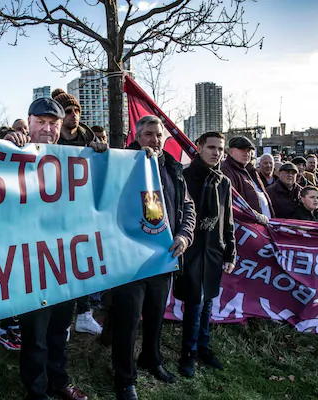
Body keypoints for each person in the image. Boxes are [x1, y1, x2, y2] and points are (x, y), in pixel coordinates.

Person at [3, 97, 106, 400]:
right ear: (29, 122)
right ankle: (36, 391)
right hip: (30, 261)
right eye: (41, 122)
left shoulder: (73, 156)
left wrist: (100, 154)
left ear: (61, 127)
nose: (47, 129)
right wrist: (6, 142)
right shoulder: (12, 152)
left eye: (53, 124)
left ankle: (58, 381)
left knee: (59, 330)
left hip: (64, 261)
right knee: (35, 335)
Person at [111, 115, 195, 400]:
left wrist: (184, 235)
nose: (155, 140)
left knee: (156, 316)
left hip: (163, 258)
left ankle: (151, 358)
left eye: (158, 135)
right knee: (128, 320)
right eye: (148, 134)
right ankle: (125, 378)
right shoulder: (123, 163)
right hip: (130, 260)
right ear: (137, 136)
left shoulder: (172, 167)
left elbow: (188, 207)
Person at [174, 132, 235, 378]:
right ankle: (187, 354)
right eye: (211, 147)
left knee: (208, 301)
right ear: (198, 147)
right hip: (191, 249)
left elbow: (227, 219)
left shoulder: (223, 181)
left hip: (214, 250)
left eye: (220, 149)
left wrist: (230, 251)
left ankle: (203, 347)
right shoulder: (184, 176)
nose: (216, 153)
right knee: (194, 302)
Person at [51, 88, 102, 335]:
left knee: (81, 264)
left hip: (82, 215)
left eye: (77, 110)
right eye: (68, 111)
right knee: (57, 266)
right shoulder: (47, 142)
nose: (74, 115)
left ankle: (83, 314)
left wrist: (102, 153)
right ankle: (61, 319)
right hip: (54, 216)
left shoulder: (90, 142)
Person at [221, 136, 272, 224]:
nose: (247, 154)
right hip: (248, 227)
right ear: (231, 152)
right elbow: (233, 202)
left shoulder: (250, 170)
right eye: (242, 150)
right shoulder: (226, 170)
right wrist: (255, 215)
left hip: (261, 225)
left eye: (248, 151)